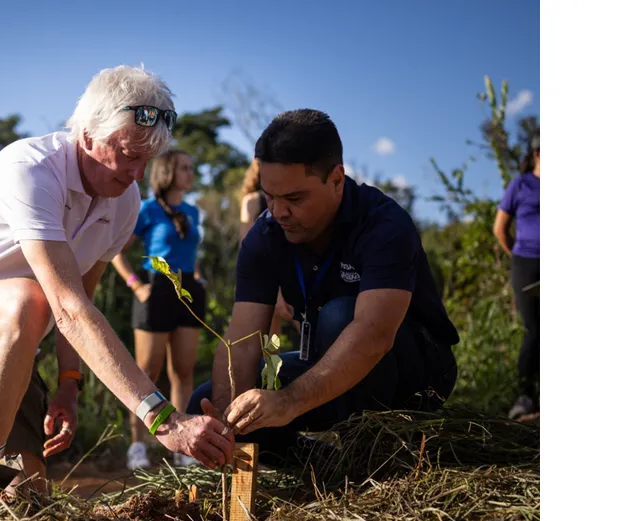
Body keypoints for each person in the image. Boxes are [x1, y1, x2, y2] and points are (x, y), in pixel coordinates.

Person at [0, 65, 234, 493]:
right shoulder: (32, 169)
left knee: (29, 495)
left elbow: (82, 299)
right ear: (87, 136)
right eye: (128, 155)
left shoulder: (125, 202)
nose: (138, 174)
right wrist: (164, 419)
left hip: (11, 332)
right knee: (29, 301)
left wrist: (69, 383)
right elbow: (67, 310)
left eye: (147, 160)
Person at [187, 109, 459, 463]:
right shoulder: (265, 235)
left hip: (415, 374)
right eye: (269, 196)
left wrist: (288, 401)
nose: (278, 212)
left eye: (294, 199)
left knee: (339, 316)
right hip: (327, 364)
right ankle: (328, 467)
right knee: (203, 407)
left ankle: (373, 454)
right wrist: (228, 421)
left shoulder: (384, 224)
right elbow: (242, 341)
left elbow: (374, 335)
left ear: (336, 180)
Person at [109, 149, 206, 470]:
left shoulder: (192, 211)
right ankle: (137, 445)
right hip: (156, 289)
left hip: (187, 290)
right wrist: (136, 285)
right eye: (184, 168)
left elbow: (189, 250)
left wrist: (197, 276)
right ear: (168, 172)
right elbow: (116, 251)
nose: (191, 173)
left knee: (183, 371)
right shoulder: (147, 209)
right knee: (146, 372)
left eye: (191, 167)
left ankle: (183, 445)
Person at [493, 134, 540, 420]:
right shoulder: (521, 185)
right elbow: (500, 228)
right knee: (535, 329)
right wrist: (518, 256)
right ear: (537, 153)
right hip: (527, 263)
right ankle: (526, 395)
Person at [239, 158, 296, 338]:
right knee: (268, 341)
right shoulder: (252, 200)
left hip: (290, 269)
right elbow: (246, 243)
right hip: (267, 273)